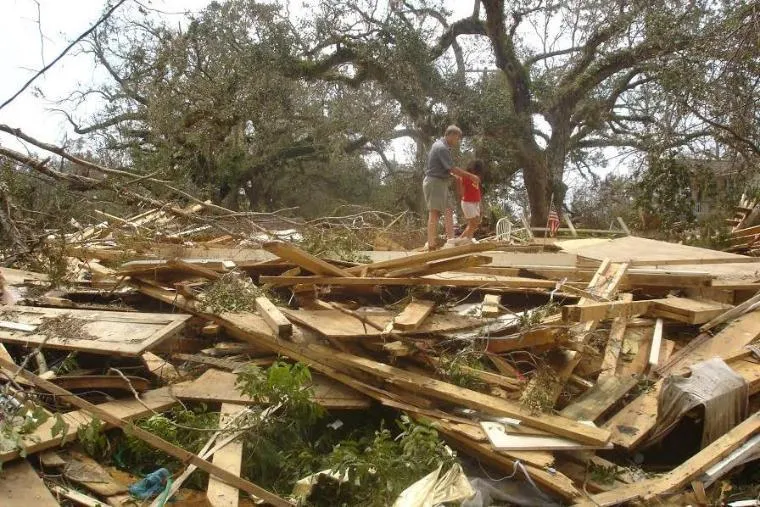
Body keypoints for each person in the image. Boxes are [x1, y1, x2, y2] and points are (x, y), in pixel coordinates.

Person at [423, 125, 480, 250]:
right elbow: (452, 168)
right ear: (451, 135)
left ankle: (450, 240)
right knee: (435, 213)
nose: (457, 141)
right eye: (457, 138)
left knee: (449, 209)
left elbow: (448, 170)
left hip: (441, 183)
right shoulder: (441, 148)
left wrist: (457, 176)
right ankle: (431, 244)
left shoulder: (442, 146)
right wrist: (471, 176)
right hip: (434, 182)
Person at [455, 158, 484, 241]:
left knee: (474, 224)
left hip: (476, 202)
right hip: (468, 202)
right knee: (473, 224)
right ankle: (460, 240)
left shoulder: (477, 178)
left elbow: (477, 191)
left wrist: (480, 204)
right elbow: (461, 192)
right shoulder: (465, 177)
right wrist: (459, 180)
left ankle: (467, 240)